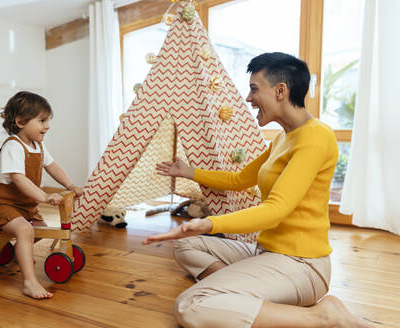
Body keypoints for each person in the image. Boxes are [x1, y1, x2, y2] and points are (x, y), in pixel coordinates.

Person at [143, 53, 373, 328]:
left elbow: (275, 210)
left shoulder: (316, 136)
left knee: (190, 306)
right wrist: (189, 172)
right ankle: (248, 292)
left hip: (302, 265)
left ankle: (322, 316)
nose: (248, 98)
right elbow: (240, 179)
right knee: (185, 244)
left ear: (280, 91)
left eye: (254, 88)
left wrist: (208, 223)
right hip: (267, 253)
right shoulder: (283, 139)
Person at [0, 91, 83, 299]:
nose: (47, 126)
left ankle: (10, 248)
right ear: (20, 121)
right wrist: (44, 196)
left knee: (41, 232)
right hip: (1, 204)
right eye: (42, 120)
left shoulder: (38, 146)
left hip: (24, 206)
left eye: (47, 120)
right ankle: (29, 282)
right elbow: (18, 179)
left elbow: (52, 166)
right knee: (25, 231)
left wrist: (71, 186)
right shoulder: (13, 146)